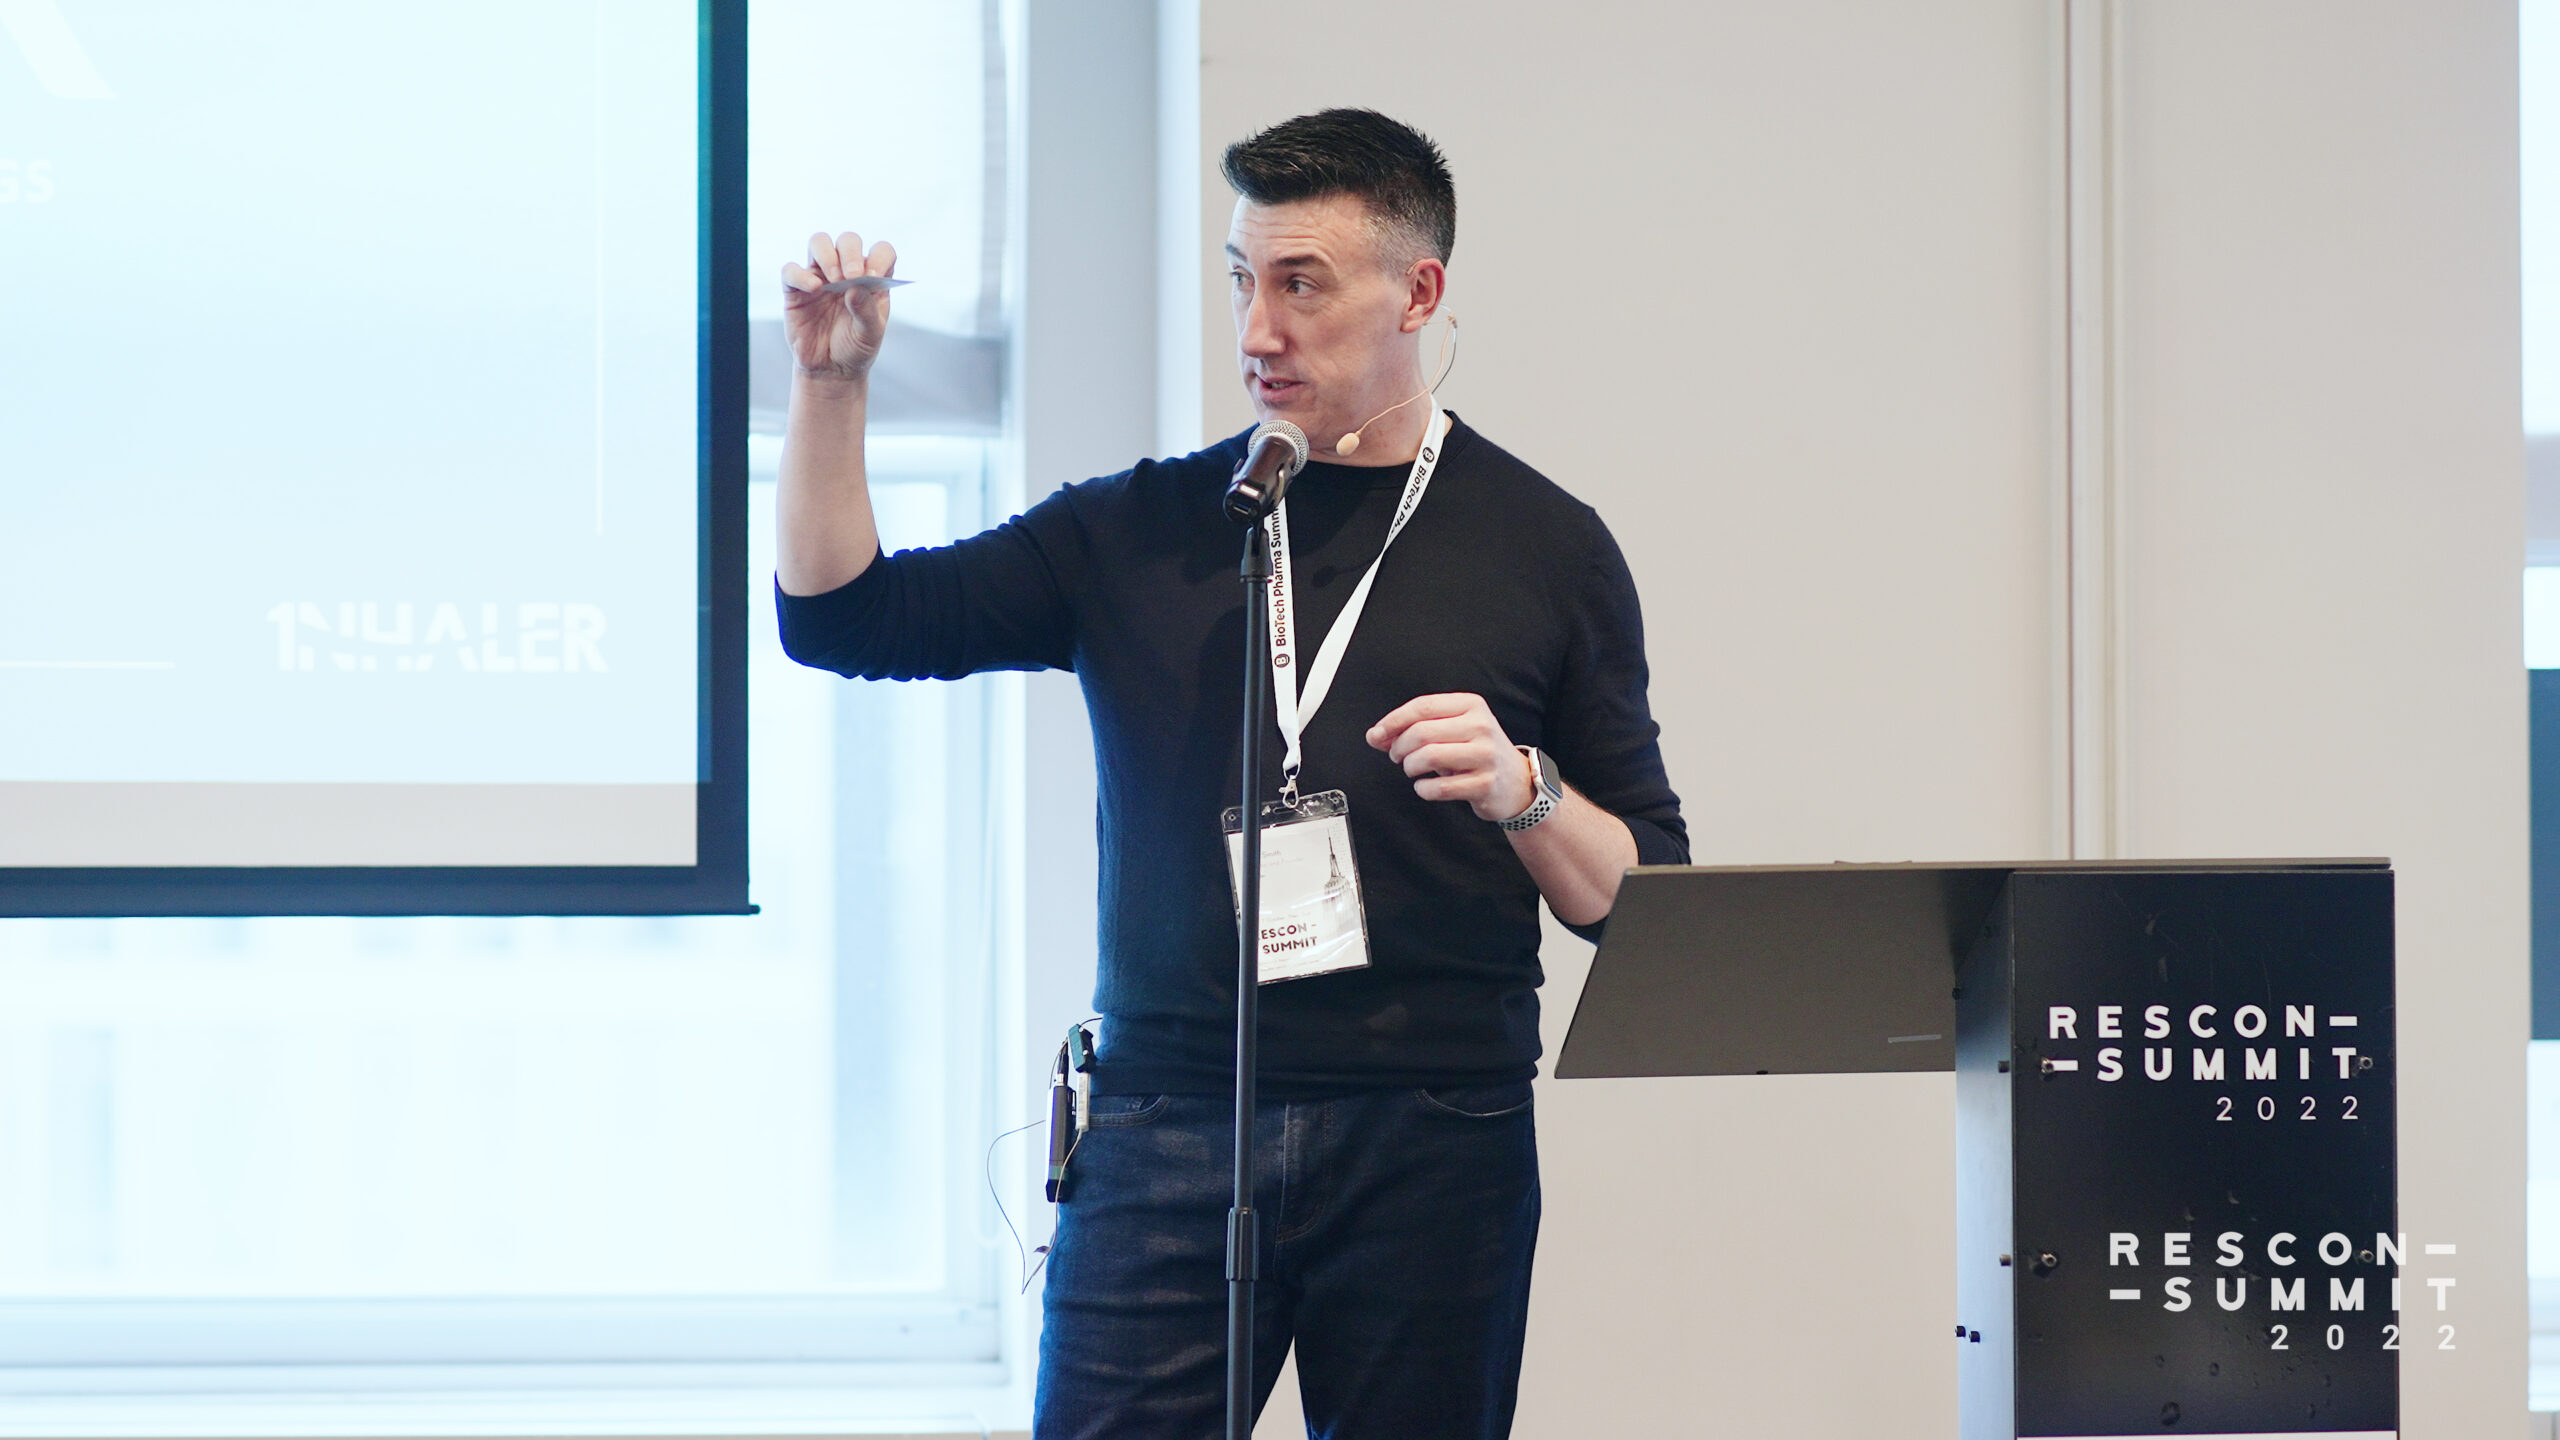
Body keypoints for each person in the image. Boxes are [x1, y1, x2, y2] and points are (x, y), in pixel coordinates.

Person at [775, 108, 1684, 1440]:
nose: (1258, 329)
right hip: (1168, 1120)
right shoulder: (1141, 530)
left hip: (1435, 1130)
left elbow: (1640, 900)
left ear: (1418, 292)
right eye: (1241, 280)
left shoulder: (1546, 547)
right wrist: (832, 388)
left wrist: (1528, 790)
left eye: (1301, 285)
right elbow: (845, 619)